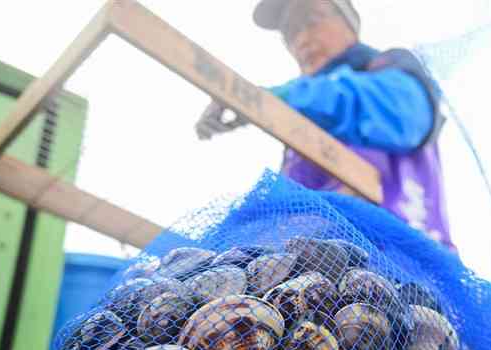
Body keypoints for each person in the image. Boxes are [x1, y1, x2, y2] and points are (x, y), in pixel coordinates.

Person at [195, 0, 455, 249]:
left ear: (349, 23)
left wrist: (261, 99)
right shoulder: (303, 120)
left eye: (311, 20)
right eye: (290, 33)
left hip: (401, 267)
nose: (301, 40)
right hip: (312, 266)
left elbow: (396, 114)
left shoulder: (389, 71)